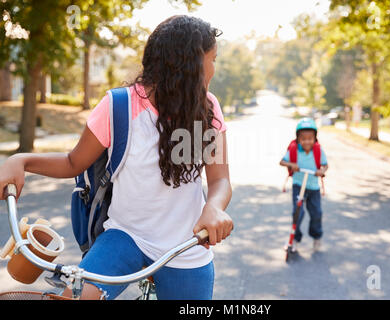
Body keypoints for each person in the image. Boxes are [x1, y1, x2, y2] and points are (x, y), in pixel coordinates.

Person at [0, 15, 233, 300]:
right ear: (191, 66)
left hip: (185, 246)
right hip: (126, 237)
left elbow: (220, 180)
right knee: (78, 296)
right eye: (213, 60)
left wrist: (215, 207)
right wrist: (21, 160)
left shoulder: (207, 109)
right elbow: (74, 162)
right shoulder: (119, 106)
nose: (214, 70)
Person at [279, 118, 328, 252]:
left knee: (316, 213)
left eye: (310, 138)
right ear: (298, 139)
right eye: (303, 138)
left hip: (313, 187)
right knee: (297, 213)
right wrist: (291, 164)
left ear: (315, 138)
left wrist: (321, 171)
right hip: (298, 185)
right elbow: (282, 162)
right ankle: (294, 239)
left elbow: (325, 165)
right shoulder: (294, 150)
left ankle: (317, 237)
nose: (307, 141)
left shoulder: (318, 151)